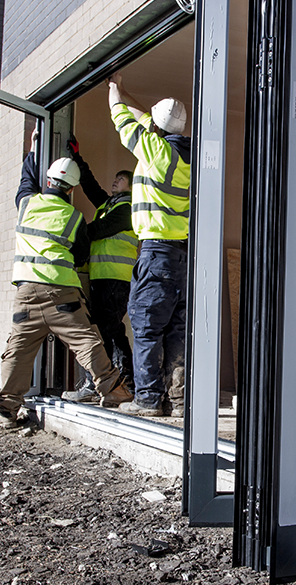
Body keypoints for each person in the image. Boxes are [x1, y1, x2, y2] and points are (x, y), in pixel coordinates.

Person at [0, 132, 132, 428]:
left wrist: (34, 148)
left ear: (48, 182)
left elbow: (26, 180)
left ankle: (7, 408)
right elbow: (81, 254)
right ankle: (114, 390)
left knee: (18, 348)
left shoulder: (27, 205)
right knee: (87, 341)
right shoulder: (74, 218)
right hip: (62, 294)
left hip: (27, 294)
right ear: (71, 190)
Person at [107, 72, 191, 417]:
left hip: (156, 254)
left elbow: (121, 118)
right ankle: (179, 400)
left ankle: (147, 399)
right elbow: (147, 119)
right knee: (175, 328)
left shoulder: (154, 150)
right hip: (183, 255)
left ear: (155, 128)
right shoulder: (190, 155)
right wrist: (127, 91)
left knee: (145, 325)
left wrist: (113, 90)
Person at [60, 135, 137, 402]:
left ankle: (92, 387)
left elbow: (98, 230)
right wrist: (77, 159)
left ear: (131, 185)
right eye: (116, 177)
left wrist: (70, 237)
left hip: (116, 282)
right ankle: (128, 382)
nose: (115, 180)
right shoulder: (109, 205)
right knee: (114, 334)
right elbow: (90, 186)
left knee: (99, 334)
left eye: (121, 178)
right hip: (104, 280)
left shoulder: (127, 208)